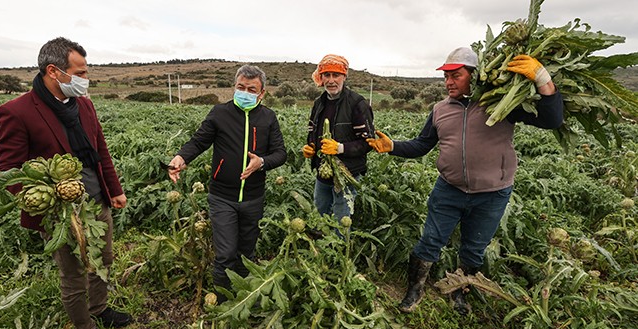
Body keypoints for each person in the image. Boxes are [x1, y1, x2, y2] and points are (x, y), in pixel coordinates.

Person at [367, 46, 563, 315]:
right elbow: (422, 145)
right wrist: (392, 147)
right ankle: (414, 290)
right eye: (446, 77)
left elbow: (552, 120)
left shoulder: (501, 105)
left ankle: (460, 293)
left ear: (475, 75)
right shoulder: (439, 110)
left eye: (455, 76)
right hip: (449, 189)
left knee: (473, 249)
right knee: (430, 240)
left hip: (492, 193)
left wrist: (542, 78)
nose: (448, 82)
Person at [0, 37, 131, 329]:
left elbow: (101, 151)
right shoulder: (16, 112)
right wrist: (50, 196)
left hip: (97, 200)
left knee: (104, 259)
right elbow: (7, 172)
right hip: (61, 215)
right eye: (80, 71)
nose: (86, 78)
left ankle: (99, 309)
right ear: (54, 71)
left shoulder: (83, 104)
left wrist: (115, 188)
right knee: (73, 274)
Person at [168, 65, 287, 303]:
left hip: (253, 197)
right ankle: (222, 303)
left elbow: (281, 153)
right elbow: (199, 141)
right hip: (222, 197)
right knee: (225, 253)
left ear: (261, 93)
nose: (244, 92)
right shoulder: (219, 113)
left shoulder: (268, 118)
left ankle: (242, 298)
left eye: (251, 89)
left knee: (246, 253)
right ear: (234, 87)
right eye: (240, 87)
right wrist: (182, 157)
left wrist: (261, 162)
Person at [302, 54, 374, 224]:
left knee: (342, 219)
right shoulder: (319, 103)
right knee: (320, 214)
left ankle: (340, 248)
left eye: (336, 75)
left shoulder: (357, 103)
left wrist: (340, 148)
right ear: (321, 77)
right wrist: (310, 148)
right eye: (327, 75)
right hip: (323, 171)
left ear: (344, 77)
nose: (331, 80)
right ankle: (321, 247)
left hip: (346, 173)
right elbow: (312, 131)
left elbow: (368, 142)